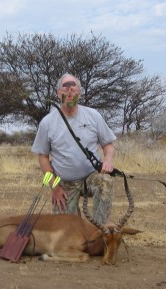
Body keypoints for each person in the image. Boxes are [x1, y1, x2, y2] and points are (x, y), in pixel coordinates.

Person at [31, 73, 116, 225]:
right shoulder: (47, 122)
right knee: (65, 229)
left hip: (91, 177)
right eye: (65, 89)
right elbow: (43, 157)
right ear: (58, 93)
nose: (69, 92)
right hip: (64, 182)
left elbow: (108, 144)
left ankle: (99, 230)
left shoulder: (93, 116)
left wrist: (108, 160)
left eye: (73, 89)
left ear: (79, 93)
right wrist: (55, 188)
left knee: (105, 182)